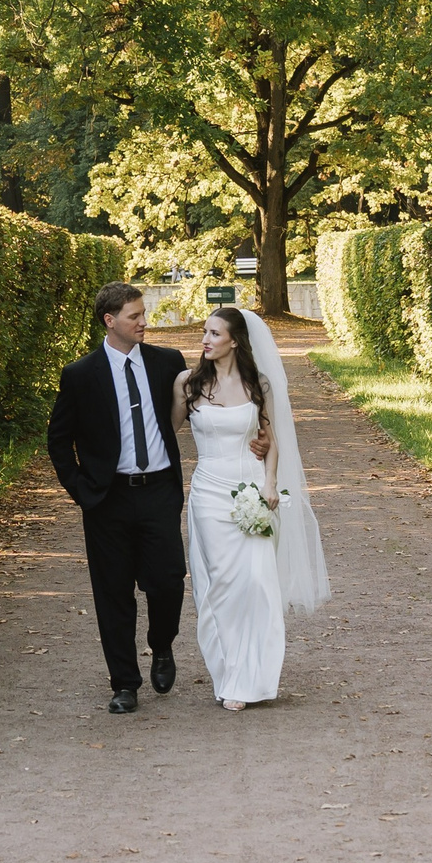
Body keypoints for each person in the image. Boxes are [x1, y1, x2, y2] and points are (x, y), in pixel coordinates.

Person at [45, 284, 200, 714]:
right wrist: (81, 491)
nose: (144, 322)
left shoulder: (167, 362)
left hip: (158, 492)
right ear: (110, 321)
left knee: (168, 581)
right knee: (113, 593)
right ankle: (125, 683)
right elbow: (58, 439)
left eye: (143, 313)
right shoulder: (80, 374)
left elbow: (205, 405)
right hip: (107, 499)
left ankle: (162, 645)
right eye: (135, 316)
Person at [172, 308, 331, 710]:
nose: (205, 339)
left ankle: (254, 678)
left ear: (235, 341)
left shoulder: (257, 384)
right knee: (220, 584)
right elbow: (166, 430)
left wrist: (270, 482)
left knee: (257, 584)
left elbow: (270, 438)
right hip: (208, 491)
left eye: (214, 333)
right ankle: (228, 674)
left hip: (249, 489)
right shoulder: (188, 384)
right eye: (204, 332)